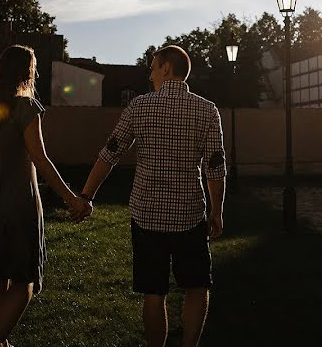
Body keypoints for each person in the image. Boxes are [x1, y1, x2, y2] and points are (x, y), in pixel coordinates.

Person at [80, 45, 227, 347]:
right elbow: (215, 167)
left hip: (146, 216)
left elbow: (110, 154)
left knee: (154, 292)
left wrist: (86, 195)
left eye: (153, 65)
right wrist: (217, 211)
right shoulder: (207, 110)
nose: (149, 72)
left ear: (166, 69)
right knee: (197, 287)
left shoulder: (139, 106)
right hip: (189, 214)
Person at [0, 44, 92, 347]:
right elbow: (40, 159)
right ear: (28, 71)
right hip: (18, 207)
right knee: (24, 281)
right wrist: (72, 199)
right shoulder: (25, 108)